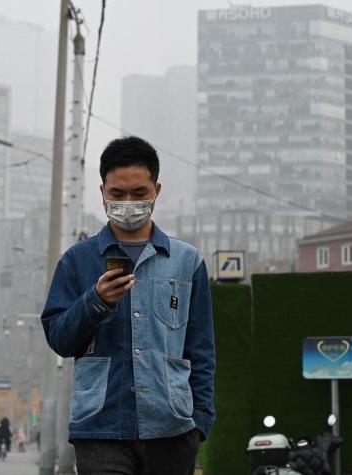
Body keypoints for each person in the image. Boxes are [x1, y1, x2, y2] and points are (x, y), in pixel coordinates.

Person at [41, 136, 216, 475]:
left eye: (139, 193)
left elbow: (201, 348)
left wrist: (200, 422)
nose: (128, 203)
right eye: (118, 194)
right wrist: (95, 301)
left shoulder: (187, 261)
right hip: (101, 427)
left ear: (157, 190)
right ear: (103, 191)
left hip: (172, 428)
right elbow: (59, 339)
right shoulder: (76, 261)